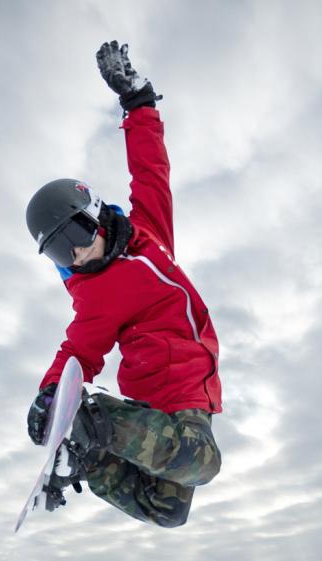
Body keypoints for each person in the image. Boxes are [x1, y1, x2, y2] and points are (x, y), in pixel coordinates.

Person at [24, 41, 221, 529]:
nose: (74, 255)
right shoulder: (96, 292)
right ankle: (91, 424)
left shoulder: (147, 233)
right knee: (201, 462)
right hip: (165, 405)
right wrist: (51, 394)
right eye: (58, 251)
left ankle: (84, 458)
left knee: (167, 510)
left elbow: (151, 171)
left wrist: (139, 103)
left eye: (74, 236)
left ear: (92, 215)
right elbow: (79, 350)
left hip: (184, 395)